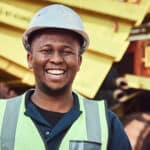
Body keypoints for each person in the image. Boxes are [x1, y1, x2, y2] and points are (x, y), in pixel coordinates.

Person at [0, 4, 132, 150]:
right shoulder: (2, 117)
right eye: (47, 50)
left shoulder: (106, 124)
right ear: (30, 59)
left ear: (79, 61)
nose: (56, 59)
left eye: (66, 51)